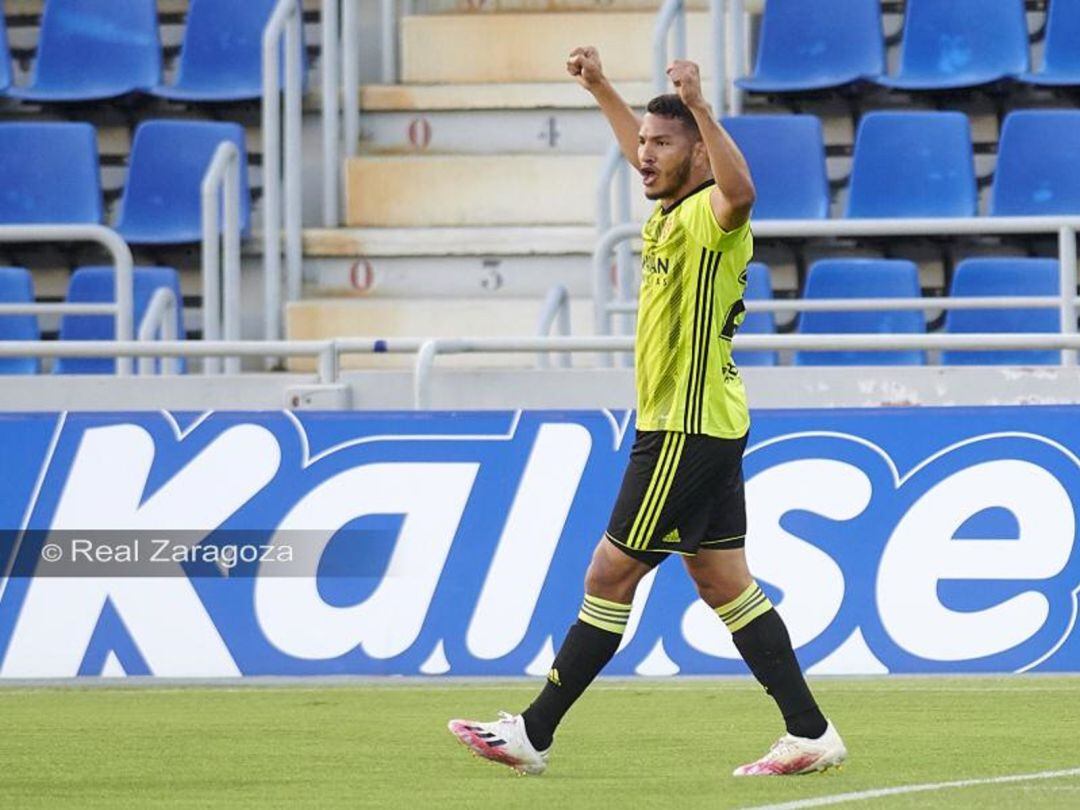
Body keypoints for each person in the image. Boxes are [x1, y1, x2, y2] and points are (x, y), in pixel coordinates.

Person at [448, 46, 847, 778]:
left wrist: (699, 106)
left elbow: (742, 190)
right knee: (722, 581)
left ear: (696, 153)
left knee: (609, 574)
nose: (644, 155)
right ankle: (810, 732)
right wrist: (602, 88)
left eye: (662, 145)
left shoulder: (711, 215)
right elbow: (647, 143)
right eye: (642, 144)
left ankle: (534, 732)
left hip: (685, 430)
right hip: (703, 423)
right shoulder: (669, 211)